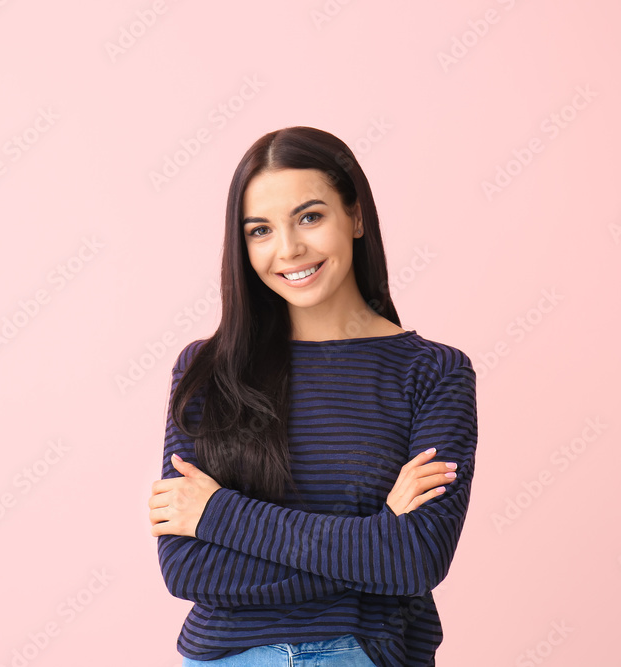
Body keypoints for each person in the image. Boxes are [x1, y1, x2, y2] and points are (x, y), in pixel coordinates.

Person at [148, 126, 478, 666]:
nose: (289, 249)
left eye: (310, 216)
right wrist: (372, 541)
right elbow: (187, 569)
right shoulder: (207, 369)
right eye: (260, 230)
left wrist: (217, 516)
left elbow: (415, 559)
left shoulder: (433, 372)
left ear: (355, 216)